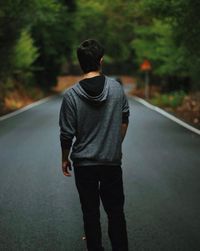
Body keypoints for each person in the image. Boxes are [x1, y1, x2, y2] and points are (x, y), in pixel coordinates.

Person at [59, 39, 130, 251]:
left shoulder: (71, 95)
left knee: (90, 214)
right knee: (116, 212)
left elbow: (66, 133)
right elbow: (125, 119)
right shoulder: (117, 89)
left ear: (81, 63)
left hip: (84, 165)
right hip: (111, 162)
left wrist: (65, 157)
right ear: (101, 61)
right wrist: (114, 143)